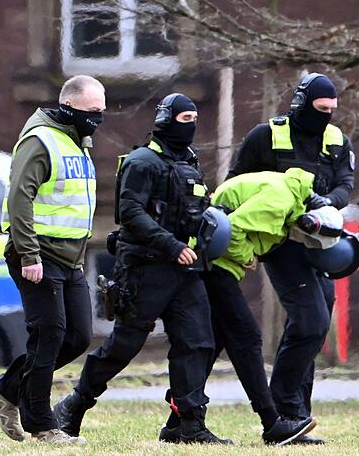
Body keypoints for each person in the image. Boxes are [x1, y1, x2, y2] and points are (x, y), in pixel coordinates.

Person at [53, 93, 230, 444]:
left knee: (197, 342)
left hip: (185, 270)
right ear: (165, 120)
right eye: (184, 119)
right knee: (125, 344)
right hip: (145, 269)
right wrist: (171, 245)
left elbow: (196, 213)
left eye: (195, 119)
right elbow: (131, 213)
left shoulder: (190, 162)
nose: (192, 125)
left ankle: (188, 425)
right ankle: (74, 405)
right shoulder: (142, 162)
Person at [158, 168, 353, 446]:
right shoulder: (279, 202)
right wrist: (247, 256)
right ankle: (272, 423)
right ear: (309, 221)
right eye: (309, 240)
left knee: (211, 344)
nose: (305, 244)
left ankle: (178, 423)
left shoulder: (291, 200)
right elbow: (232, 229)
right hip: (215, 264)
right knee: (247, 338)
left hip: (217, 263)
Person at [227, 72, 355, 445]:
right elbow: (234, 186)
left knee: (313, 325)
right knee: (311, 321)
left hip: (320, 242)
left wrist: (325, 204)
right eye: (320, 109)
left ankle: (298, 415)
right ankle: (283, 407)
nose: (326, 117)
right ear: (301, 103)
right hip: (279, 242)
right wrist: (242, 241)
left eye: (331, 110)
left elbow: (345, 185)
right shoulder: (265, 137)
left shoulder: (337, 141)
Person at [0, 75, 105, 445]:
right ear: (68, 106)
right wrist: (29, 255)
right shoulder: (41, 140)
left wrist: (79, 257)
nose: (98, 119)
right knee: (48, 334)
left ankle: (5, 390)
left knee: (77, 336)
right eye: (92, 111)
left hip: (70, 258)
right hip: (37, 253)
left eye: (101, 111)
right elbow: (20, 198)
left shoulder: (77, 141)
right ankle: (43, 425)